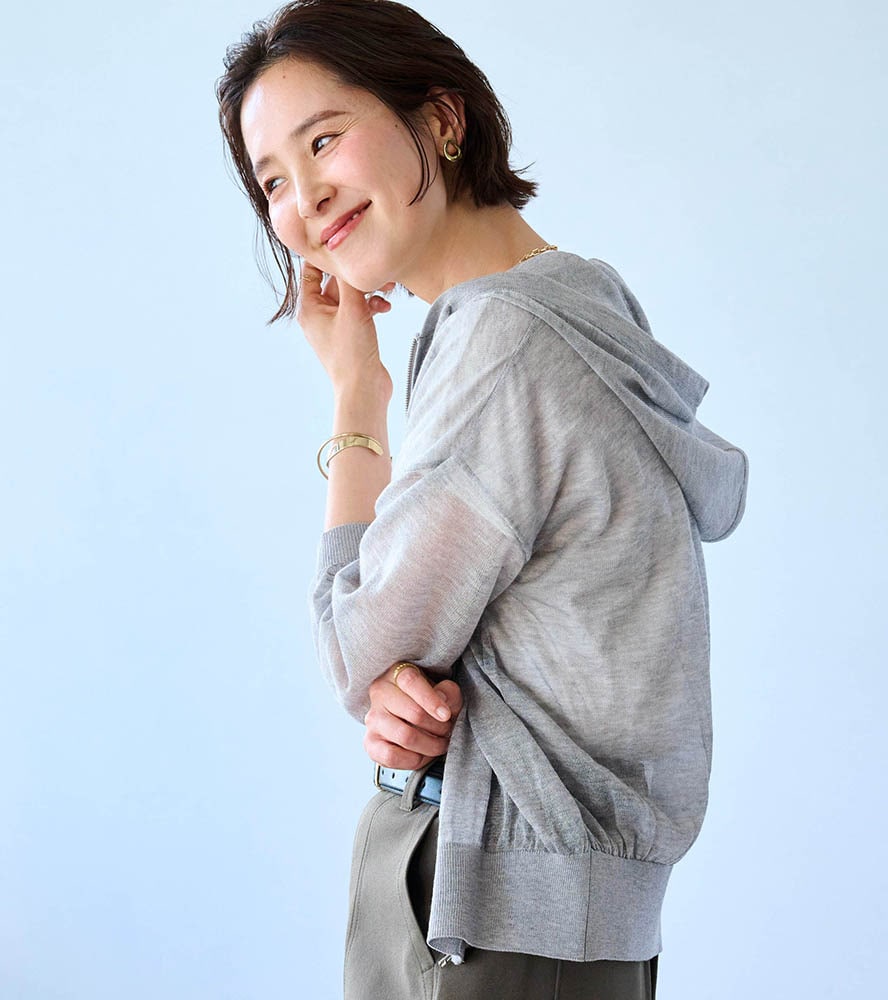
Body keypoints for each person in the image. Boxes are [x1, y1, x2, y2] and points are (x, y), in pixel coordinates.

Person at [217, 1, 749, 997]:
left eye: (323, 140)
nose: (304, 198)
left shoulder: (502, 345)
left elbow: (356, 646)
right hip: (567, 918)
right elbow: (463, 637)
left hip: (488, 912)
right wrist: (409, 677)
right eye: (272, 180)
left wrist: (356, 393)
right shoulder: (581, 297)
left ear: (442, 119)